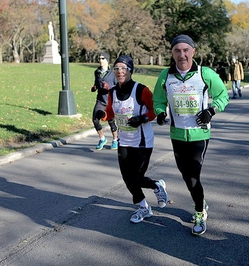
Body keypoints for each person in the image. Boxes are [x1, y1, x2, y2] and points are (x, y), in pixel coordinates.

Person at [153, 34, 229, 235]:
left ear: (193, 52)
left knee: (193, 176)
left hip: (199, 135)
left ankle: (199, 211)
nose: (182, 54)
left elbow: (223, 95)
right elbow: (158, 100)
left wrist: (211, 111)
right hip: (177, 135)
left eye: (186, 50)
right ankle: (201, 200)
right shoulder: (165, 76)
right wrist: (160, 113)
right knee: (186, 176)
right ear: (172, 53)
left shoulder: (205, 74)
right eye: (177, 50)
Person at [96, 55, 168, 223]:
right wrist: (103, 115)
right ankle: (143, 207)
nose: (120, 72)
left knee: (136, 177)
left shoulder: (141, 90)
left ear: (130, 70)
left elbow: (153, 110)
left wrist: (141, 119)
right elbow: (111, 112)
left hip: (142, 141)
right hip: (124, 140)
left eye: (123, 68)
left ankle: (157, 185)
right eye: (116, 69)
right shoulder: (112, 92)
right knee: (127, 178)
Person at [91, 52, 118, 150]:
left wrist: (109, 87)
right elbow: (96, 83)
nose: (100, 60)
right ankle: (102, 138)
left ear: (107, 60)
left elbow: (119, 86)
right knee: (95, 119)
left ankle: (115, 140)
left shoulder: (113, 72)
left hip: (111, 100)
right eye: (99, 58)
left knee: (111, 121)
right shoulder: (97, 72)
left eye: (103, 58)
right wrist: (94, 87)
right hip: (100, 100)